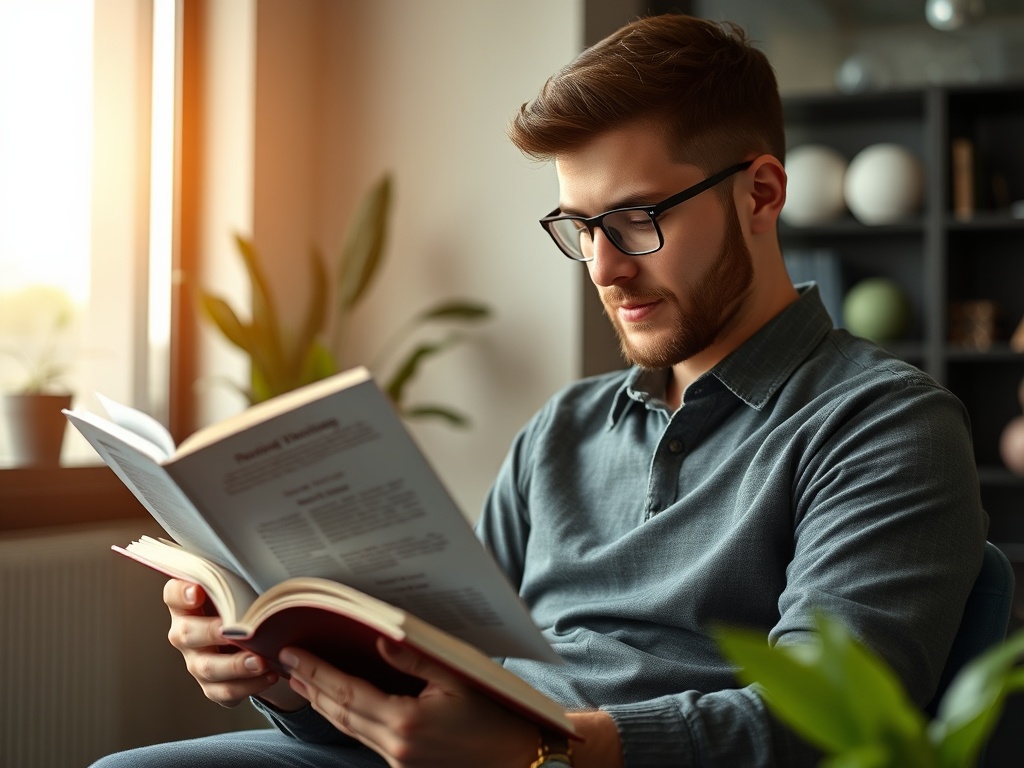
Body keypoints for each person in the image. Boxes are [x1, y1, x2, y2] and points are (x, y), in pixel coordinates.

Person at [90, 12, 987, 768]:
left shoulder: (882, 423)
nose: (602, 269)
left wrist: (555, 748)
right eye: (579, 226)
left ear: (759, 193)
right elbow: (445, 669)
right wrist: (285, 675)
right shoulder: (564, 429)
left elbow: (831, 715)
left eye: (635, 221)